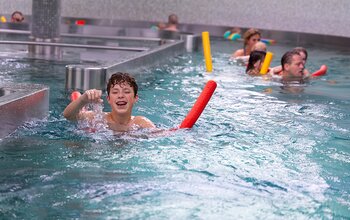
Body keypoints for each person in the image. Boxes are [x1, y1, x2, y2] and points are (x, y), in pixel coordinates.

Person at [63, 72, 156, 132]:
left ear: (135, 98)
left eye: (126, 92)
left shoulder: (141, 122)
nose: (120, 95)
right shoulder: (98, 118)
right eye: (115, 92)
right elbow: (68, 116)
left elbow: (160, 134)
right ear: (109, 99)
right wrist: (82, 100)